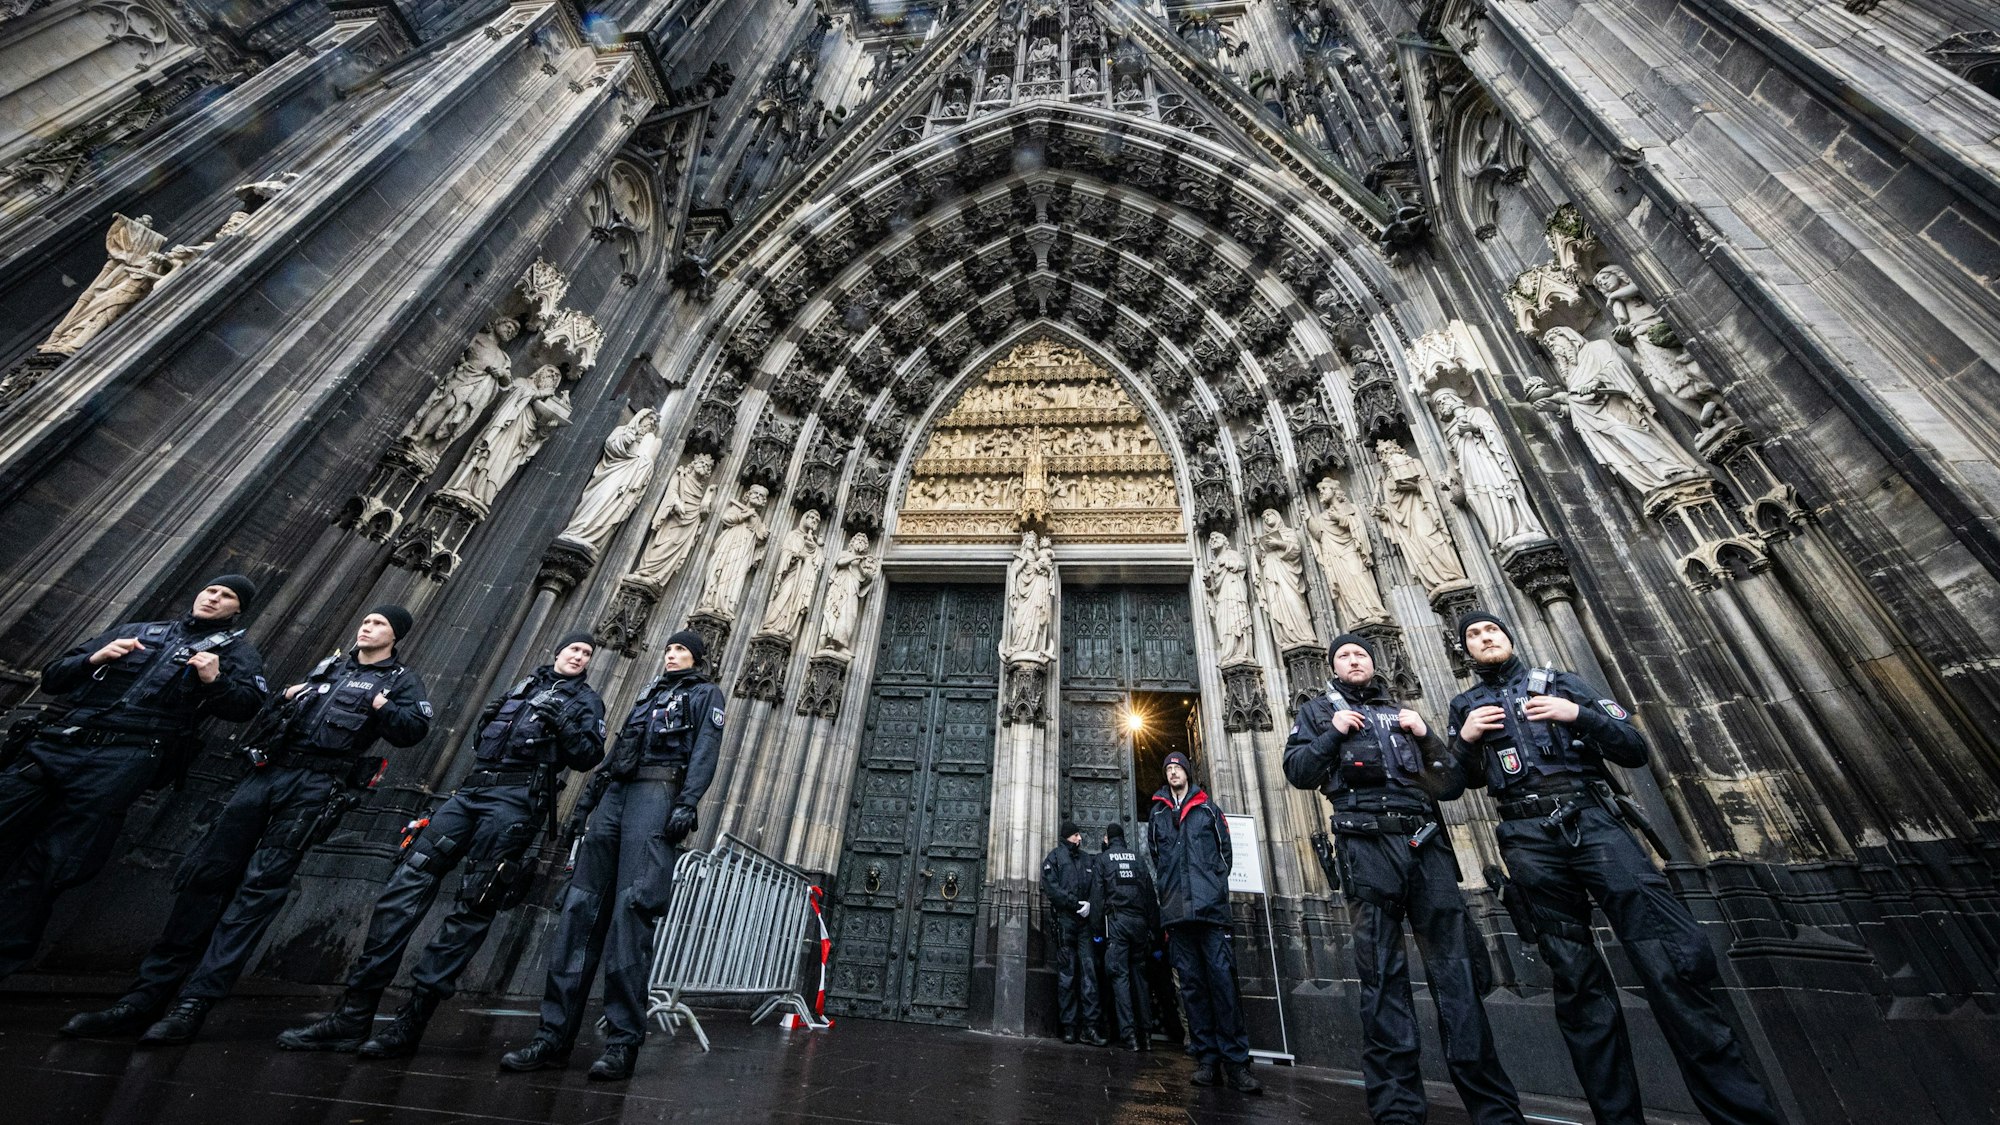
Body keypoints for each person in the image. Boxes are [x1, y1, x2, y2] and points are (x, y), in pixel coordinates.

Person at [1448, 611, 1780, 1125]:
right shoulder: (1466, 706)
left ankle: (1743, 1117)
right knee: (1577, 985)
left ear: (1509, 637)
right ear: (1464, 652)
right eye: (1473, 635)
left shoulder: (1560, 683)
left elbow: (1634, 748)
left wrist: (1576, 715)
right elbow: (1457, 783)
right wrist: (1465, 739)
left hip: (1594, 823)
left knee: (1670, 963)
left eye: (1491, 629)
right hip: (1526, 840)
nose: (1484, 637)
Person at [59, 606, 432, 1044]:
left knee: (258, 890)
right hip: (266, 775)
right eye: (365, 620)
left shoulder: (400, 679)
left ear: (394, 636)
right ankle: (143, 998)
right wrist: (288, 698)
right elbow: (275, 714)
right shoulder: (329, 665)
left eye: (379, 624)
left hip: (316, 786)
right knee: (205, 875)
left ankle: (193, 1004)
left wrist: (382, 705)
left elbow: (413, 729)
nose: (367, 626)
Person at [276, 632, 607, 1058]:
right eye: (574, 649)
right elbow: (483, 736)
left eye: (586, 653)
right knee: (406, 882)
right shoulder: (523, 686)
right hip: (472, 791)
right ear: (557, 651)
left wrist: (560, 722)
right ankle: (353, 1015)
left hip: (517, 801)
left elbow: (586, 756)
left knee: (474, 905)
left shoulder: (587, 702)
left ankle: (411, 1021)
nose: (579, 656)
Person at [1285, 632, 1525, 1125]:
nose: (1355, 660)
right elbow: (1299, 772)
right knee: (1381, 976)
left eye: (1362, 655)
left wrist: (1426, 735)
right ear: (1332, 667)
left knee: (1455, 972)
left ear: (1374, 665)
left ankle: (1495, 1111)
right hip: (1365, 844)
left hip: (1425, 844)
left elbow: (1451, 784)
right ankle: (1397, 1109)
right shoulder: (1316, 713)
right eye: (1345, 656)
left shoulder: (1403, 712)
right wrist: (1332, 732)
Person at [0, 576, 266, 979]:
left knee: (53, 862)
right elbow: (54, 676)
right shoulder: (139, 630)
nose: (213, 597)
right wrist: (93, 659)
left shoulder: (236, 652)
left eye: (226, 596)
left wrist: (217, 680)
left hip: (124, 758)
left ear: (238, 610)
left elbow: (247, 707)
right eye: (210, 589)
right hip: (56, 744)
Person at [499, 628, 724, 1081]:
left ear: (696, 659)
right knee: (579, 911)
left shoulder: (706, 695)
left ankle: (623, 1043)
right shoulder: (646, 694)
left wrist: (687, 802)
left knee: (631, 910)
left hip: (658, 792)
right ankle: (552, 1037)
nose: (672, 654)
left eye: (681, 650)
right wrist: (584, 808)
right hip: (616, 796)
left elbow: (705, 749)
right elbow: (617, 753)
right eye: (669, 648)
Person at [1149, 751, 1261, 1094]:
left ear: (1187, 772)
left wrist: (1211, 888)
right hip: (1178, 916)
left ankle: (1236, 1064)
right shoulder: (1157, 814)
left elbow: (1225, 855)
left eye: (1177, 768)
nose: (1172, 774)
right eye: (1167, 769)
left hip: (1210, 914)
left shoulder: (1209, 810)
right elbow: (1157, 857)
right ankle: (1207, 1060)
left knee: (1223, 986)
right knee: (1193, 990)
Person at [1094, 822, 1160, 1052]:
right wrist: (1154, 929)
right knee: (1140, 978)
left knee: (1120, 977)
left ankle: (1129, 1035)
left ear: (1107, 840)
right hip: (1140, 924)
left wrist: (1097, 933)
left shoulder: (1103, 861)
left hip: (1118, 924)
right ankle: (1147, 1035)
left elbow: (1097, 898)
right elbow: (1150, 896)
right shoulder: (1138, 860)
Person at [1040, 819, 1104, 1046]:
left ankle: (1090, 1027)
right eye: (1076, 835)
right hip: (1066, 922)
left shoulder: (1087, 859)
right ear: (1068, 836)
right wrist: (1074, 903)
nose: (1080, 838)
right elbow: (1051, 888)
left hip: (1085, 925)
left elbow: (1097, 885)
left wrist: (1091, 905)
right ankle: (1069, 1026)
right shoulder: (1055, 858)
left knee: (1089, 974)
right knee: (1067, 975)